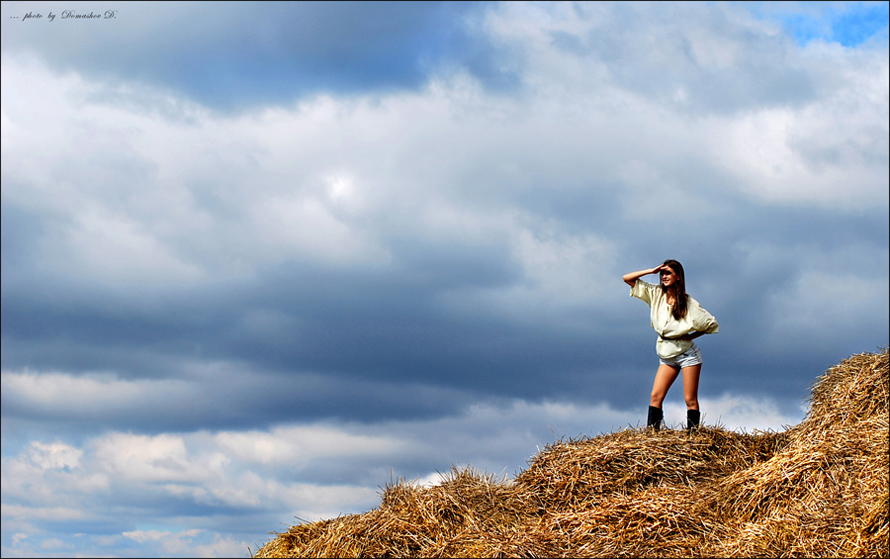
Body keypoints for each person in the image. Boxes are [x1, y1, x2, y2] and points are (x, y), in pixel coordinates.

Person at [623, 260, 719, 430]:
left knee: (690, 400)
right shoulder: (655, 293)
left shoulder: (689, 303)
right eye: (662, 273)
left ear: (678, 277)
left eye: (668, 273)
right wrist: (652, 270)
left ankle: (693, 438)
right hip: (666, 353)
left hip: (687, 355)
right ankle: (652, 437)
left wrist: (691, 336)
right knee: (655, 396)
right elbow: (627, 278)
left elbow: (711, 324)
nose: (664, 276)